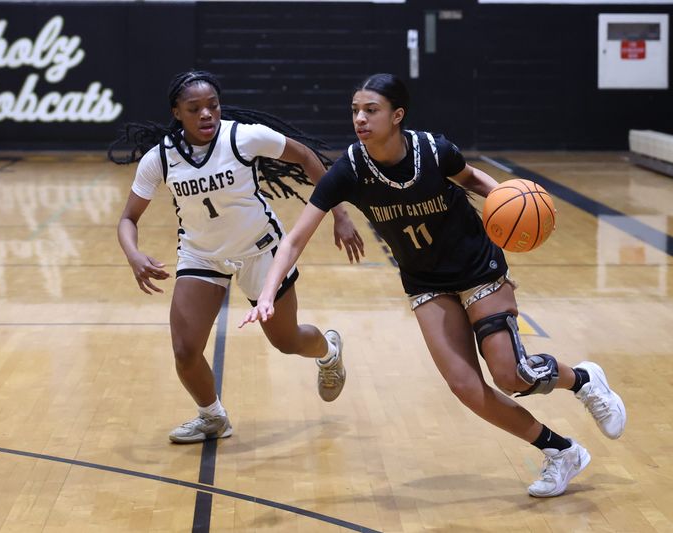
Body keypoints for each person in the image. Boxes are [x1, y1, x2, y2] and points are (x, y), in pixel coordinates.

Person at [240, 73, 626, 497]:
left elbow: (476, 181)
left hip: (477, 268)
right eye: (355, 110)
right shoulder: (348, 170)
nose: (360, 119)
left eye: (371, 110)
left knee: (511, 375)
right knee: (465, 386)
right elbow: (295, 238)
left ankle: (584, 380)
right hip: (425, 282)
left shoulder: (434, 150)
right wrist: (268, 293)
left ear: (397, 114)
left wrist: (516, 204)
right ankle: (562, 452)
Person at [111, 70, 364, 444]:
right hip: (202, 255)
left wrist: (339, 215)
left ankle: (328, 350)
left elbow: (307, 157)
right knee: (184, 350)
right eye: (194, 108)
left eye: (212, 105)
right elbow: (128, 219)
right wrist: (133, 255)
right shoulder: (159, 159)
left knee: (287, 341)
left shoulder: (243, 137)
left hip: (261, 250)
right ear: (176, 112)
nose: (206, 114)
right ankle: (212, 416)